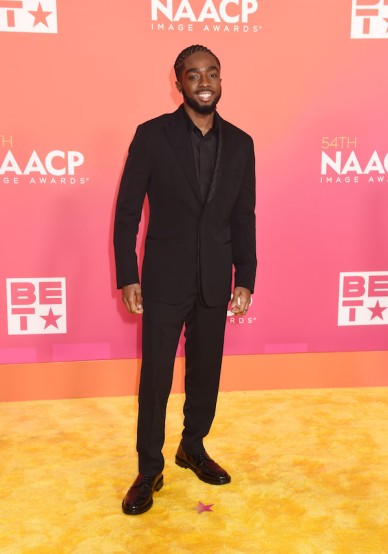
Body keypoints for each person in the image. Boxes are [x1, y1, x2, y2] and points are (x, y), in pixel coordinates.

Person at [114, 44, 256, 515]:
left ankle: (191, 447)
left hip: (216, 277)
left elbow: (244, 217)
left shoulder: (240, 143)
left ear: (221, 78)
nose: (204, 82)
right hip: (163, 278)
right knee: (155, 376)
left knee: (206, 373)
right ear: (178, 83)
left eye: (212, 73)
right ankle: (148, 466)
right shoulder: (152, 136)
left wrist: (246, 277)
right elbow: (128, 211)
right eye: (193, 75)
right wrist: (128, 274)